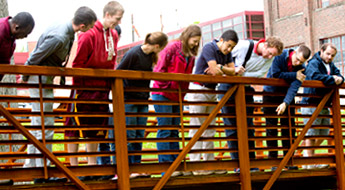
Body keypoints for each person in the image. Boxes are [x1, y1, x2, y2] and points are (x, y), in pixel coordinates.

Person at [21, 6, 97, 183]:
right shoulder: (60, 36)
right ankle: (42, 172)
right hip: (38, 77)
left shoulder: (66, 30)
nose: (90, 30)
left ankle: (31, 168)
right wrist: (24, 75)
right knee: (44, 123)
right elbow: (36, 56)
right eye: (90, 26)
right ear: (84, 25)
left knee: (37, 122)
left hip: (45, 77)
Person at [64, 1, 124, 181]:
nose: (118, 22)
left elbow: (111, 61)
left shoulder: (113, 34)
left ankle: (92, 168)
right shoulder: (88, 34)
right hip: (84, 88)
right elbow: (78, 64)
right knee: (74, 126)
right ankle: (74, 170)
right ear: (107, 14)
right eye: (117, 18)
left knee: (96, 128)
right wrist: (81, 88)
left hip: (102, 89)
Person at [218, 36, 283, 172]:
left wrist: (240, 73)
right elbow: (223, 59)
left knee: (249, 126)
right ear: (265, 45)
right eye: (270, 53)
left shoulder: (269, 59)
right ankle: (238, 165)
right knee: (231, 127)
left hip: (246, 88)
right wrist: (231, 71)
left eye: (273, 55)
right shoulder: (243, 46)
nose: (270, 57)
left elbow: (259, 75)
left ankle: (251, 163)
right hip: (227, 86)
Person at [187, 29, 241, 176]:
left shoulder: (226, 53)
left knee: (210, 128)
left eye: (232, 48)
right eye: (228, 46)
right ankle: (195, 165)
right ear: (221, 40)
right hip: (198, 89)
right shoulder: (209, 47)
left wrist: (222, 68)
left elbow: (228, 71)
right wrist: (226, 70)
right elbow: (217, 70)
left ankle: (208, 164)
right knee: (197, 127)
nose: (229, 50)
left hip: (211, 91)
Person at [115, 32, 168, 178]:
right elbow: (118, 72)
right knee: (129, 135)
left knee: (139, 135)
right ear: (157, 46)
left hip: (142, 99)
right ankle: (127, 168)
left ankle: (136, 167)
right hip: (129, 99)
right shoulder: (134, 54)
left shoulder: (150, 56)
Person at [151, 24, 201, 177]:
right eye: (194, 40)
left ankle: (176, 164)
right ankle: (166, 166)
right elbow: (159, 69)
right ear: (187, 36)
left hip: (178, 95)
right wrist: (168, 84)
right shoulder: (172, 47)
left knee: (174, 129)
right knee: (165, 129)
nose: (196, 44)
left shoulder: (191, 55)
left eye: (198, 41)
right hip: (163, 92)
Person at [263, 45, 311, 170]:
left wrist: (285, 103)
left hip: (286, 97)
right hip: (270, 94)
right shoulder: (280, 55)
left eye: (301, 62)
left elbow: (294, 87)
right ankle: (273, 162)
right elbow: (275, 74)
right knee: (271, 129)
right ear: (294, 52)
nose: (298, 63)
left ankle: (289, 161)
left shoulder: (302, 68)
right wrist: (294, 75)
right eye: (297, 59)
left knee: (289, 129)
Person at [301, 43, 344, 169]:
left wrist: (339, 79)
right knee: (311, 133)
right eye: (328, 54)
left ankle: (307, 155)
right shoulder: (314, 62)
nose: (330, 57)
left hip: (324, 103)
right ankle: (310, 162)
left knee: (323, 133)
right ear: (321, 51)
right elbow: (314, 76)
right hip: (311, 102)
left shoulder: (330, 65)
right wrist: (332, 79)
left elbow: (340, 76)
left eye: (332, 55)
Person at [97, 24, 122, 166]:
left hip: (112, 102)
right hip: (103, 99)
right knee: (104, 136)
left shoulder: (114, 56)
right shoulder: (105, 52)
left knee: (112, 137)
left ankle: (112, 167)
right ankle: (105, 166)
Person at [0, 12, 34, 81]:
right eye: (25, 34)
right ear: (16, 28)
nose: (25, 37)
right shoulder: (1, 30)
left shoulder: (12, 38)